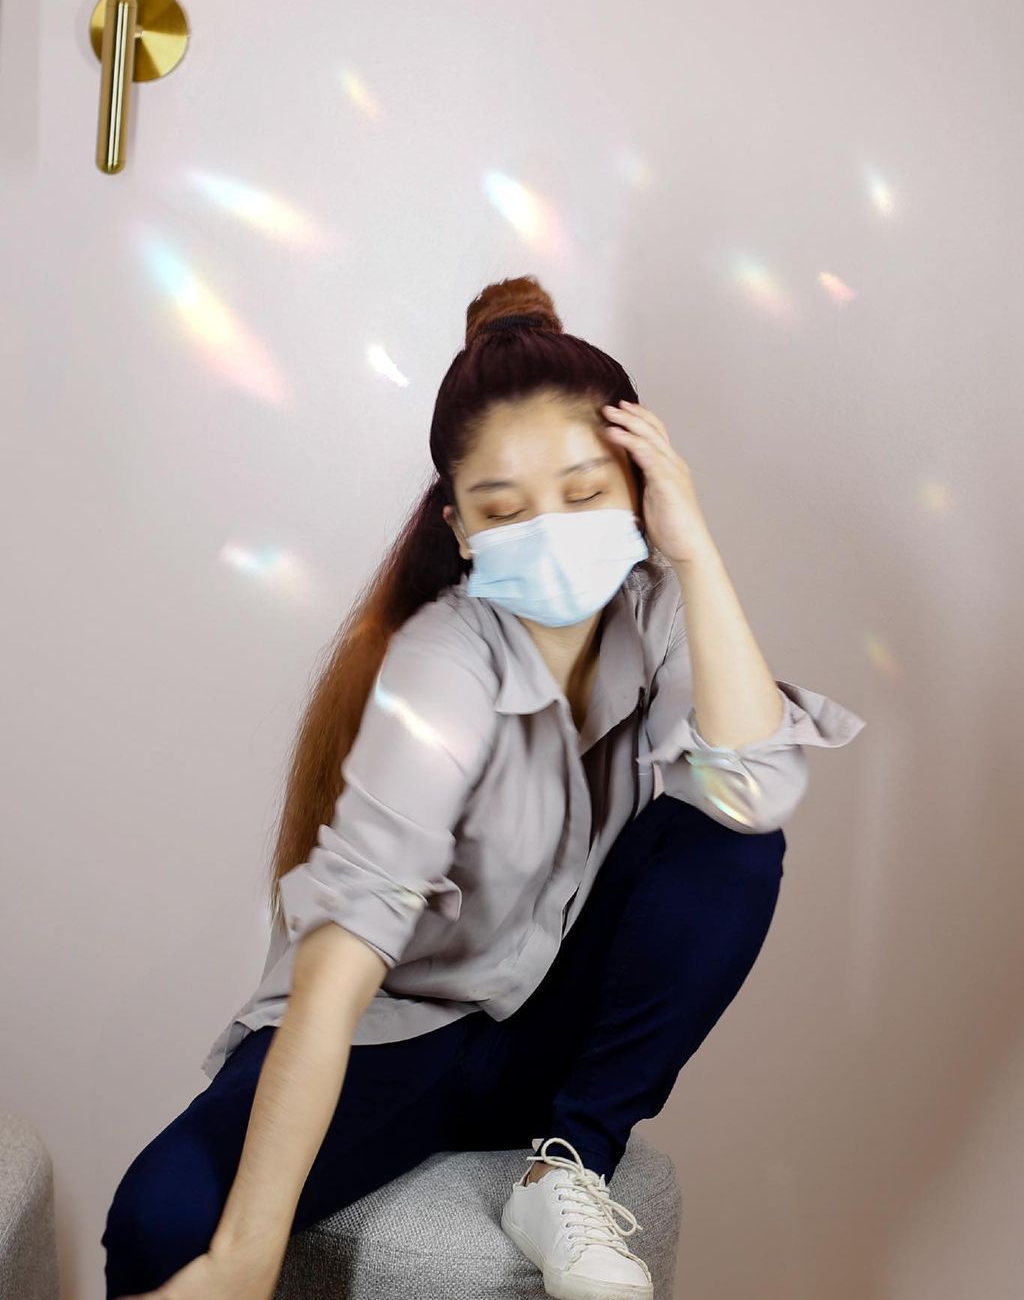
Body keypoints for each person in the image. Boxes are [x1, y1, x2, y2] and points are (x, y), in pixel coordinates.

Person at [101, 275, 866, 1300]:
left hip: (550, 1045)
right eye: (505, 510)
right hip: (396, 1038)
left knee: (731, 832)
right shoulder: (440, 669)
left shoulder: (660, 613)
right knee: (158, 1218)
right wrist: (246, 1251)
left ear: (640, 488)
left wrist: (695, 550)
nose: (550, 529)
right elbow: (340, 963)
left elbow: (755, 789)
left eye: (585, 495)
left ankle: (570, 1163)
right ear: (461, 529)